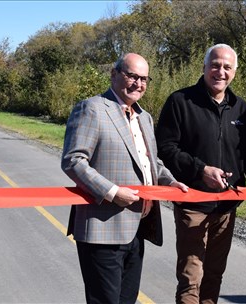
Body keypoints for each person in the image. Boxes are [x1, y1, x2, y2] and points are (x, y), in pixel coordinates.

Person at [61, 53, 188, 304]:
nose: (138, 84)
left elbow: (152, 163)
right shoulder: (92, 108)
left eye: (144, 79)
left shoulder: (145, 117)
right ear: (114, 74)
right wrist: (111, 191)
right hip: (101, 229)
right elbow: (73, 160)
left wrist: (170, 182)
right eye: (132, 76)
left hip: (137, 230)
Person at [155, 43, 246, 304]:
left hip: (227, 206)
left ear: (234, 72)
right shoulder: (180, 101)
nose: (221, 71)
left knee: (214, 275)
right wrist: (201, 169)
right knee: (191, 277)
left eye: (227, 67)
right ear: (204, 67)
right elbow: (165, 148)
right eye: (215, 65)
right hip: (192, 203)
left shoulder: (241, 108)